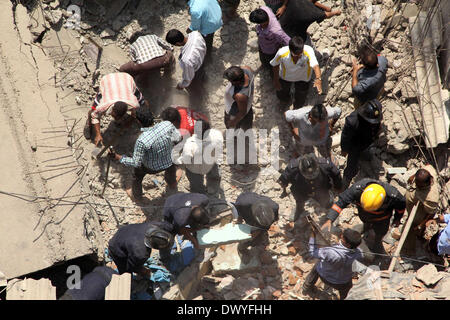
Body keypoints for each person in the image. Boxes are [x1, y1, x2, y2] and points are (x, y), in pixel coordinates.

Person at [322, 179, 406, 263]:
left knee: (380, 233)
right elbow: (341, 202)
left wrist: (397, 219)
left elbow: (401, 209)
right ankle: (365, 230)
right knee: (367, 225)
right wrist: (329, 219)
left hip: (382, 219)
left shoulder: (394, 196)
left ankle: (377, 244)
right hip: (365, 217)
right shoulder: (356, 189)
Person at [111, 119, 182, 202]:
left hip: (150, 167)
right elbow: (179, 138)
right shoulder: (166, 125)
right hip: (168, 161)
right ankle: (172, 183)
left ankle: (137, 197)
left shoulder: (142, 140)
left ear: (139, 122)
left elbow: (136, 162)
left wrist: (119, 157)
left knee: (137, 176)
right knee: (171, 167)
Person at [84, 72, 152, 146]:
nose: (115, 119)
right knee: (93, 111)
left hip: (127, 79)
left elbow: (143, 106)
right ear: (112, 109)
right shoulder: (104, 104)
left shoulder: (134, 104)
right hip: (107, 81)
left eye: (117, 117)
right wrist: (98, 134)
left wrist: (131, 121)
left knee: (143, 103)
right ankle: (89, 124)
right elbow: (95, 116)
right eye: (114, 116)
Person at [278, 153, 342, 221]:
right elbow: (283, 179)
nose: (311, 177)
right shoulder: (292, 168)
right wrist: (284, 186)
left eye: (313, 174)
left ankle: (331, 211)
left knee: (327, 201)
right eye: (308, 175)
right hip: (301, 189)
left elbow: (336, 174)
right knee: (299, 200)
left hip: (321, 189)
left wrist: (337, 186)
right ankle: (299, 209)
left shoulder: (325, 164)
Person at [303, 228, 363, 300]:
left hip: (325, 277)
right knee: (346, 292)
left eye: (342, 237)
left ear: (348, 244)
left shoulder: (331, 252)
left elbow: (312, 252)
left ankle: (307, 287)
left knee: (317, 265)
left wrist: (312, 236)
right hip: (343, 283)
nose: (341, 236)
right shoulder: (360, 254)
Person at [270, 36, 322, 110]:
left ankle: (297, 106)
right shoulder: (282, 53)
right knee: (282, 91)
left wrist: (318, 79)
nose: (298, 57)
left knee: (301, 94)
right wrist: (276, 80)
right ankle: (284, 101)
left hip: (303, 79)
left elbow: (315, 66)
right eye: (295, 55)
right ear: (290, 50)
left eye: (300, 55)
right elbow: (275, 65)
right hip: (286, 77)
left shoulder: (308, 51)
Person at [341, 99, 383, 189]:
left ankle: (365, 157)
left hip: (368, 140)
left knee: (368, 153)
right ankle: (345, 183)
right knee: (351, 167)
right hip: (355, 144)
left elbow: (376, 125)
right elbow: (345, 137)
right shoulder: (352, 121)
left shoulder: (376, 110)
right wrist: (344, 149)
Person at [228, 192, 279, 263]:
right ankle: (242, 249)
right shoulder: (243, 203)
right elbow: (236, 209)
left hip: (261, 224)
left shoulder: (274, 207)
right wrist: (237, 219)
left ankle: (258, 238)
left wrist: (259, 231)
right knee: (245, 238)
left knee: (257, 236)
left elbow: (271, 222)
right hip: (248, 216)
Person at [107, 221, 174, 276]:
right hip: (115, 247)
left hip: (124, 232)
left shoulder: (153, 225)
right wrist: (143, 271)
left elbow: (168, 225)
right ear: (155, 246)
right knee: (126, 273)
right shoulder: (141, 253)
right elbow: (132, 266)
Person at [176, 120, 223, 194]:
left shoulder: (190, 144)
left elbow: (186, 159)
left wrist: (178, 161)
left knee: (196, 183)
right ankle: (212, 187)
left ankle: (199, 192)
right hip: (211, 163)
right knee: (213, 174)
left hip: (196, 169)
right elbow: (219, 150)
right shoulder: (217, 135)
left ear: (195, 131)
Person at [403, 165, 440, 256]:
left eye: (418, 184)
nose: (416, 183)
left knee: (413, 226)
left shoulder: (431, 197)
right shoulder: (428, 170)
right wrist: (413, 177)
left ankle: (410, 247)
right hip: (413, 201)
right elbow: (427, 166)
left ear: (426, 184)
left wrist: (421, 225)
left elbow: (431, 213)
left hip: (420, 208)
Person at [249, 7, 290, 77]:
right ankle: (264, 65)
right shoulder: (264, 9)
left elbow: (287, 41)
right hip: (262, 45)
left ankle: (272, 73)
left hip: (270, 50)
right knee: (262, 57)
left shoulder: (276, 31)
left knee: (271, 63)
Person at [165, 29, 206, 93]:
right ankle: (203, 79)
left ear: (177, 43)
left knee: (195, 86)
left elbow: (188, 79)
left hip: (196, 70)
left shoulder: (186, 60)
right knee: (202, 74)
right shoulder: (195, 34)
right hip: (202, 59)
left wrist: (180, 85)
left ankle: (198, 96)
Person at [223, 65, 255, 130]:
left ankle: (237, 138)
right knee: (247, 128)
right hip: (247, 106)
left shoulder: (240, 96)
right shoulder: (247, 69)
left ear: (236, 82)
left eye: (230, 80)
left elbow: (242, 113)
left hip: (235, 113)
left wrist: (233, 122)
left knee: (235, 130)